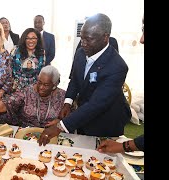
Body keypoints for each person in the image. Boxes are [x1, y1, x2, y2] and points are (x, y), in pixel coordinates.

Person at [38, 13, 132, 146]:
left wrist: (60, 126)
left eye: (88, 39)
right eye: (82, 38)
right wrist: (67, 103)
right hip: (83, 116)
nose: (83, 43)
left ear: (105, 37)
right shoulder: (81, 53)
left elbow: (97, 104)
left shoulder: (117, 66)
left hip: (107, 121)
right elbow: (75, 79)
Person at [97, 15, 144, 154]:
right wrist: (124, 146)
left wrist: (63, 125)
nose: (141, 39)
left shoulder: (118, 65)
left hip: (112, 115)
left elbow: (100, 100)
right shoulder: (81, 53)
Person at [0, 65, 66, 128]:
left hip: (51, 135)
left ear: (54, 85)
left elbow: (72, 117)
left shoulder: (63, 97)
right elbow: (9, 102)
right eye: (39, 82)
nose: (41, 87)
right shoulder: (27, 91)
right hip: (25, 134)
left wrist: (61, 123)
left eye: (46, 85)